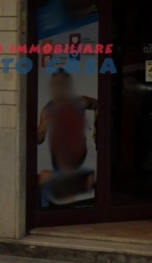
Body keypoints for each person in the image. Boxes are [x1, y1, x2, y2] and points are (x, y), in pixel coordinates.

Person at [36, 69, 98, 206]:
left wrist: (97, 129)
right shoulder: (49, 109)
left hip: (79, 155)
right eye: (56, 84)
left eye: (62, 84)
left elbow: (98, 105)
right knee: (46, 184)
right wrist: (34, 134)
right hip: (61, 158)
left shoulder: (80, 101)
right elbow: (40, 137)